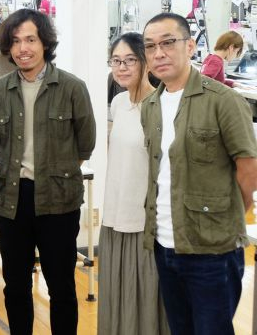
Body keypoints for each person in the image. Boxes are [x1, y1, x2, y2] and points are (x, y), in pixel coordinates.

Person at [141, 12, 257, 335]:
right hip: (164, 244)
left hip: (212, 251)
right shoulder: (151, 106)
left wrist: (226, 219)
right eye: (150, 46)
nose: (158, 53)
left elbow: (249, 170)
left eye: (168, 43)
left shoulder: (223, 101)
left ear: (190, 46)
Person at [0, 8, 96, 335]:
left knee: (61, 286)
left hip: (59, 201)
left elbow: (85, 145)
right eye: (16, 41)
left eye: (31, 40)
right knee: (15, 285)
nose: (23, 48)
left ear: (45, 42)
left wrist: (54, 171)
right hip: (12, 199)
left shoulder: (72, 88)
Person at [98, 32, 169, 335]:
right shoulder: (117, 103)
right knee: (117, 293)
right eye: (116, 61)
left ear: (145, 62)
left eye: (129, 60)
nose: (122, 67)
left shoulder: (160, 106)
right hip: (115, 214)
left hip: (144, 221)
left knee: (145, 297)